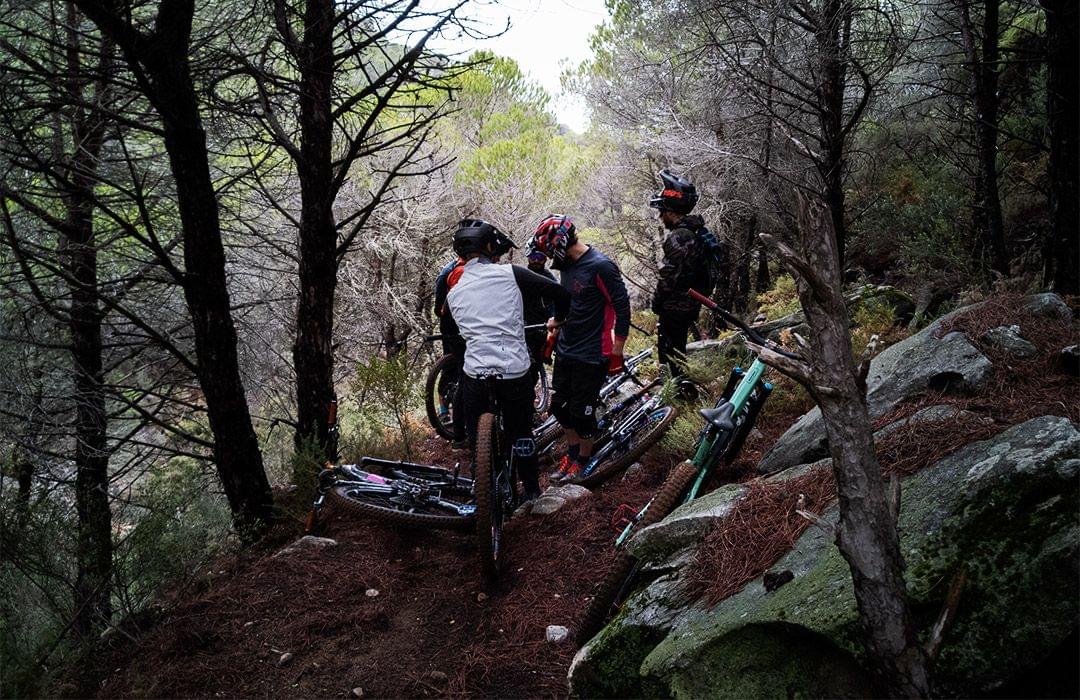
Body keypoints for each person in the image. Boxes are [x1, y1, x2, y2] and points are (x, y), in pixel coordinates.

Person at [445, 218, 570, 502]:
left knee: (479, 435)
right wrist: (558, 319)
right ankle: (531, 491)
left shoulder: (454, 292)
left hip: (476, 373)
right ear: (490, 247)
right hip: (513, 368)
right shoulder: (510, 273)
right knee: (521, 429)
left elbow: (456, 335)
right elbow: (560, 293)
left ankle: (482, 485)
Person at [531, 215, 631, 482]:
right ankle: (573, 452)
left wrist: (617, 352)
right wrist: (556, 325)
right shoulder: (568, 266)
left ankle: (584, 459)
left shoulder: (601, 267)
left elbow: (623, 308)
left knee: (581, 412)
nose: (550, 259)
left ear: (561, 243)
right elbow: (575, 306)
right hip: (567, 349)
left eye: (551, 251)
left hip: (593, 353)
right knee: (559, 408)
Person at [433, 233, 517, 447]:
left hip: (452, 330)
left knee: (458, 374)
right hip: (463, 332)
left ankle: (460, 429)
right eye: (496, 256)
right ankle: (462, 435)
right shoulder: (463, 273)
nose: (496, 261)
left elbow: (439, 308)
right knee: (467, 379)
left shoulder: (450, 268)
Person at [649, 169, 726, 385]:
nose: (660, 216)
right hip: (691, 302)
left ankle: (679, 393)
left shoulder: (680, 237)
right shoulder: (697, 231)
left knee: (671, 354)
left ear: (671, 211)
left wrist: (657, 303)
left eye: (661, 211)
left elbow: (669, 277)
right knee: (677, 350)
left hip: (676, 306)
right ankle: (680, 388)